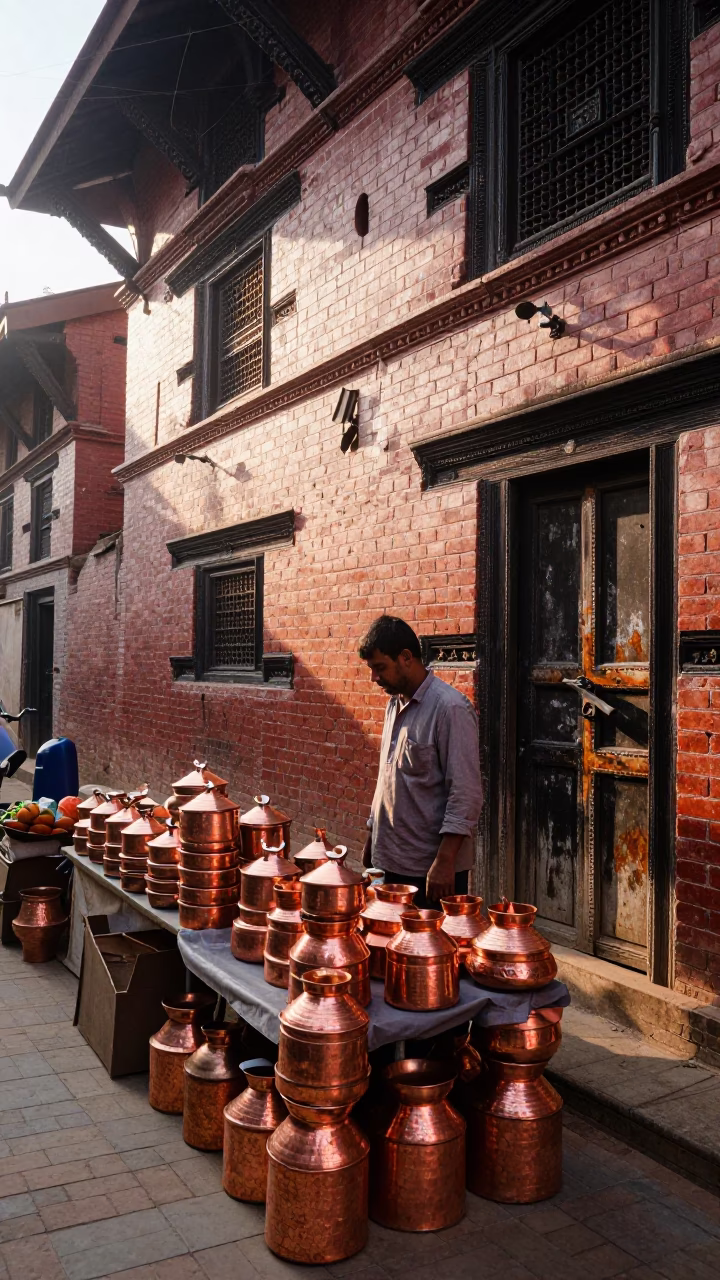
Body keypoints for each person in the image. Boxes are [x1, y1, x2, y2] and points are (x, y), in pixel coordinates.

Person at [359, 614, 483, 908]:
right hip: (391, 859)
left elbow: (465, 794)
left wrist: (444, 862)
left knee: (431, 951)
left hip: (431, 871)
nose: (374, 678)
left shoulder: (450, 708)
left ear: (405, 657)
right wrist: (372, 837)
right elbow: (388, 782)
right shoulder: (394, 702)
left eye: (380, 668)